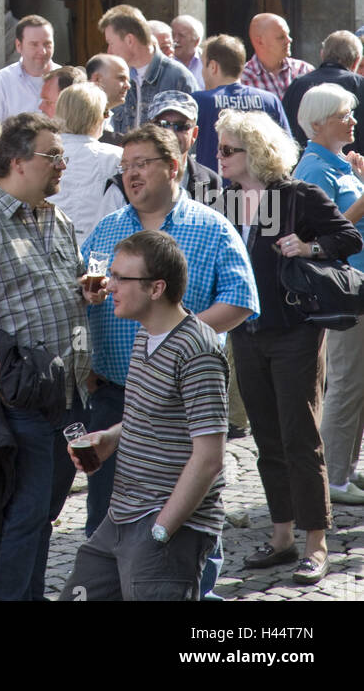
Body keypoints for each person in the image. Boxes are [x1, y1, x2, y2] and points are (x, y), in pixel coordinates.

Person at [72, 122, 257, 547]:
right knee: (106, 516)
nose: (130, 174)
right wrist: (88, 291)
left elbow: (241, 300)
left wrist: (174, 339)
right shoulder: (108, 229)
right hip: (112, 391)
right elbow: (85, 285)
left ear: (174, 166)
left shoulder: (211, 227)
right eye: (124, 166)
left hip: (180, 396)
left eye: (142, 164)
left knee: (177, 513)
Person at [216, 109, 361, 585]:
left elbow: (347, 235)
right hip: (246, 331)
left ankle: (316, 543)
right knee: (266, 438)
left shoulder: (295, 194)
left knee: (300, 436)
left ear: (254, 151)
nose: (219, 158)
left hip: (294, 330)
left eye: (227, 149)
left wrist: (309, 247)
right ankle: (281, 538)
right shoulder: (230, 199)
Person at [0, 112, 90, 601]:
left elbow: (57, 285)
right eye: (53, 156)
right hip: (24, 392)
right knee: (24, 513)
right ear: (16, 161)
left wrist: (85, 289)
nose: (62, 164)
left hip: (69, 390)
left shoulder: (56, 216)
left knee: (46, 512)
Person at [70, 232, 228, 602]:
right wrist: (110, 438)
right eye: (111, 275)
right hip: (121, 516)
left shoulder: (197, 351)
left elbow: (209, 459)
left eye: (122, 278)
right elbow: (150, 416)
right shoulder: (145, 334)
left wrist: (162, 530)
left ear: (156, 288)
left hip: (165, 525)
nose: (109, 287)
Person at [291, 87, 364, 505]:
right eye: (343, 114)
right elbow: (314, 232)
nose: (352, 120)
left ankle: (344, 470)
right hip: (341, 290)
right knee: (347, 381)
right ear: (319, 123)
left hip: (356, 284)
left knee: (356, 382)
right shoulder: (315, 168)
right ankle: (333, 477)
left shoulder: (336, 163)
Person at [193, 34, 290, 173]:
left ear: (213, 66)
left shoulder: (199, 101)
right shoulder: (269, 100)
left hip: (211, 189)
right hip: (263, 189)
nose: (202, 72)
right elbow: (287, 149)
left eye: (203, 65)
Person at [99, 4, 197, 135]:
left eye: (111, 43)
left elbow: (191, 137)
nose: (109, 51)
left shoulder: (178, 77)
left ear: (129, 40)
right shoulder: (118, 79)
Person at [48, 82, 124, 247]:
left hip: (46, 248)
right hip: (97, 250)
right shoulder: (115, 157)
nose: (107, 117)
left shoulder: (43, 154)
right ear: (95, 116)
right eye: (105, 112)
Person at [283, 30, 364, 155]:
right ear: (356, 61)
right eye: (346, 116)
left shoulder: (297, 84)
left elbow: (285, 129)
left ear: (322, 55)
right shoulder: (359, 84)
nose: (352, 121)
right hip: (351, 166)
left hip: (301, 163)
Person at [0, 15, 58, 121]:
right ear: (18, 46)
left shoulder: (68, 80)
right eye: (34, 44)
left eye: (47, 44)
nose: (42, 51)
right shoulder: (0, 82)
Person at [241, 13, 313, 97]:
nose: (289, 40)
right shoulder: (243, 79)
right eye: (281, 37)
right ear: (260, 42)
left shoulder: (304, 70)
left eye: (288, 34)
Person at [86, 53, 130, 145]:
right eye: (121, 78)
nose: (128, 86)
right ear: (97, 79)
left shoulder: (112, 115)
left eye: (128, 80)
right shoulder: (77, 120)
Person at [172, 15, 205, 88]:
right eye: (173, 34)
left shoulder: (208, 63)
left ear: (196, 41)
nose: (175, 40)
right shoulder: (164, 62)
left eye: (181, 35)